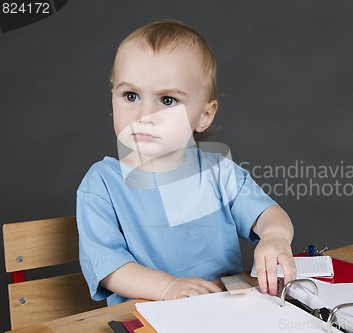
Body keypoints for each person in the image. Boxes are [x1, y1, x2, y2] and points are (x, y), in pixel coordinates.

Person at [76, 19, 296, 306]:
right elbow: (108, 266)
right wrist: (169, 288)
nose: (145, 114)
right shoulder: (102, 183)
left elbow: (268, 213)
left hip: (223, 310)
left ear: (205, 115)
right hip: (146, 316)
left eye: (167, 100)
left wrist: (275, 237)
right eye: (131, 95)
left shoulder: (219, 172)